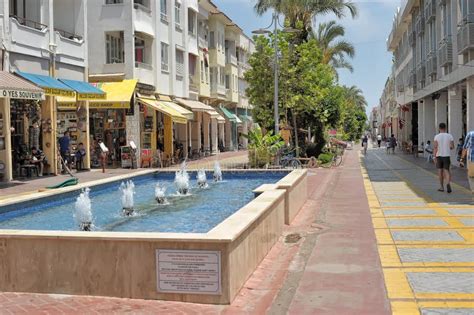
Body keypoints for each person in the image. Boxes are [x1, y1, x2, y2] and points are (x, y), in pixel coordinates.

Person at [434, 123, 454, 193]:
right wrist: (449, 146)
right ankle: (448, 183)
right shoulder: (449, 136)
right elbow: (452, 147)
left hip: (439, 156)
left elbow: (435, 147)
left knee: (440, 171)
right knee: (446, 171)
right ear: (445, 128)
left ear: (439, 128)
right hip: (446, 156)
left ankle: (442, 187)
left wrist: (434, 157)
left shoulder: (436, 136)